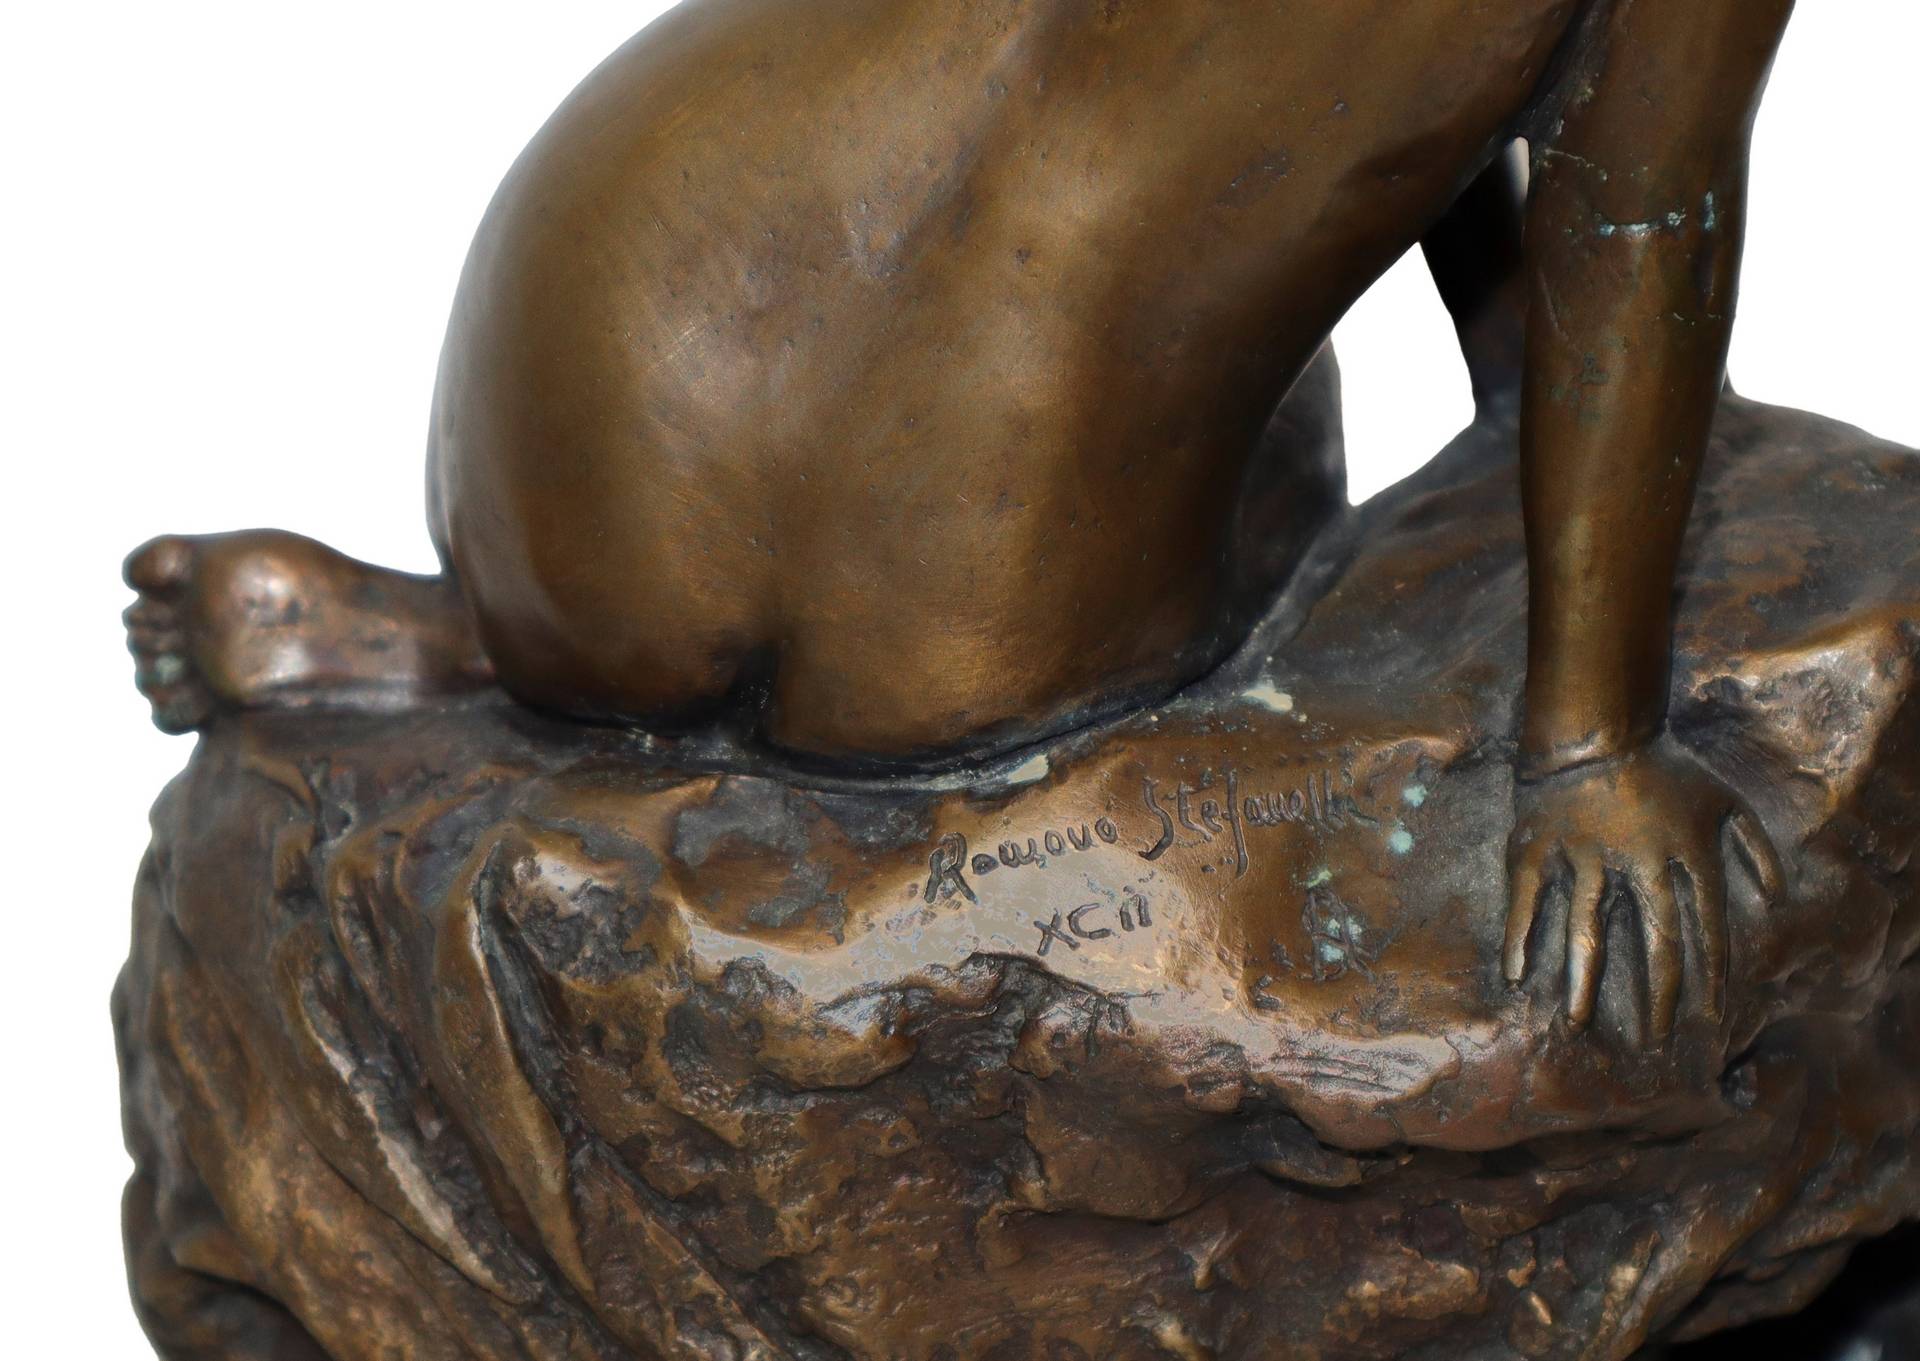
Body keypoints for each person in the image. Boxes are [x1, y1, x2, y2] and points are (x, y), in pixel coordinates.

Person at [125, 0, 1793, 1039]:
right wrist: (1591, 746)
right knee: (1263, 405)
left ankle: (464, 638)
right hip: (967, 610)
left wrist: (1502, 386)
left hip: (596, 351)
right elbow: (1633, 214)